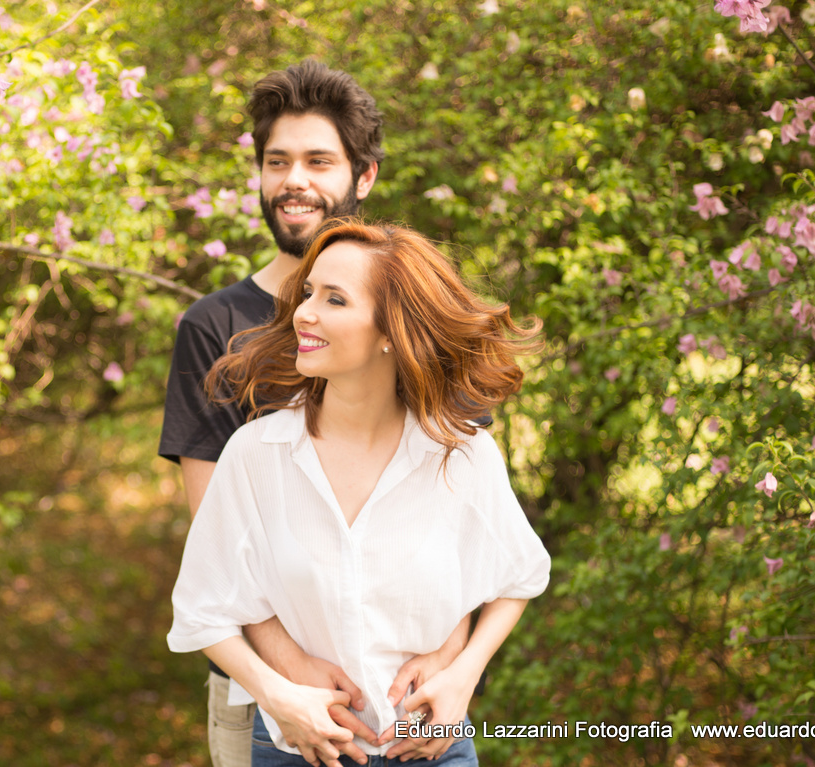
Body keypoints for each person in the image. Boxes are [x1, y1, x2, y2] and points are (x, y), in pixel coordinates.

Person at [159, 61, 474, 766]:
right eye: (277, 161)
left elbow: (465, 522)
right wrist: (289, 671)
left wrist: (451, 662)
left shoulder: (415, 313)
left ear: (363, 177)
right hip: (269, 703)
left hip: (411, 706)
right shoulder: (213, 328)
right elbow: (216, 538)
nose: (294, 180)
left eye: (318, 160)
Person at [168, 220, 551, 766]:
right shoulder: (258, 453)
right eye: (307, 293)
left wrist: (464, 673)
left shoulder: (460, 454)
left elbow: (520, 577)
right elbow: (201, 610)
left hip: (429, 748)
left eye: (335, 299)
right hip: (299, 748)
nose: (303, 312)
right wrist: (281, 696)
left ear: (390, 331)